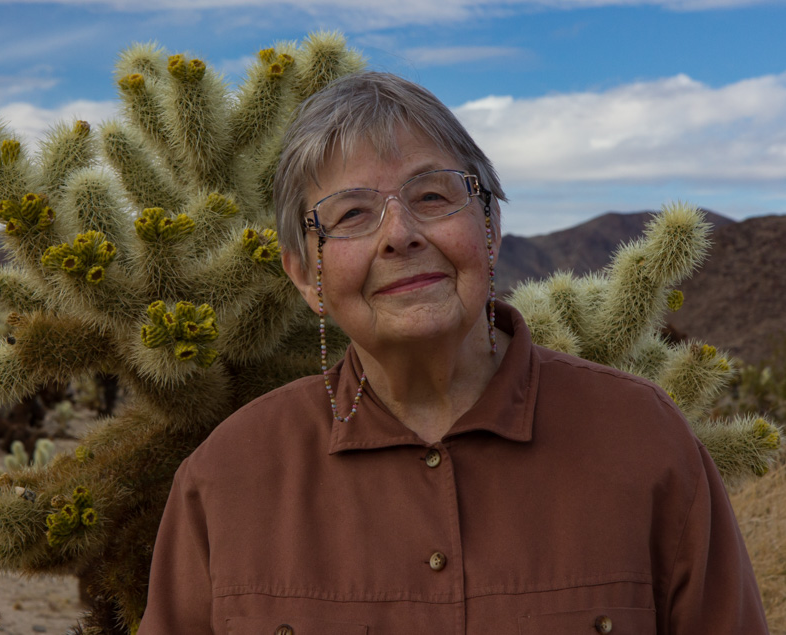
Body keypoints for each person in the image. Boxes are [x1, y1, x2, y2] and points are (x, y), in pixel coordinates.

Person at [137, 72, 768, 634]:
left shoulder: (642, 440)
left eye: (433, 197)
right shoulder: (226, 478)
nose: (400, 235)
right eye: (351, 213)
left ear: (490, 229)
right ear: (307, 276)